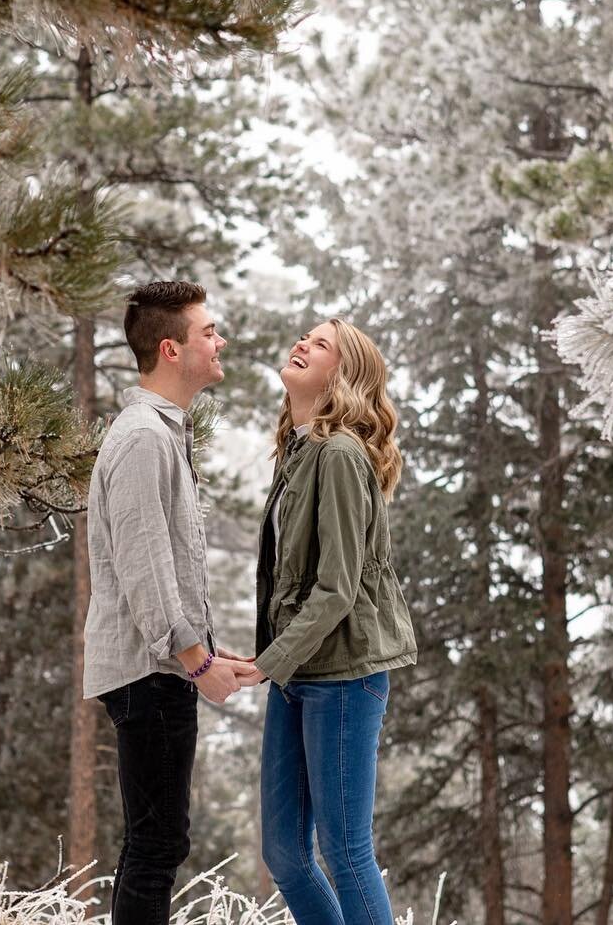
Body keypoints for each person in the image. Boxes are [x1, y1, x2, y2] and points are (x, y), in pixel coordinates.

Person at [82, 280, 264, 925]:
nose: (221, 341)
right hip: (149, 670)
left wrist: (208, 652)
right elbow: (144, 566)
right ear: (170, 348)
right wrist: (194, 660)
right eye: (208, 332)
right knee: (157, 844)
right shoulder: (142, 438)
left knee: (156, 841)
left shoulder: (159, 433)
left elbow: (166, 565)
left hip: (162, 666)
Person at [252, 318, 418, 925]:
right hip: (300, 668)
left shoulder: (342, 454)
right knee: (285, 854)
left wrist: (265, 663)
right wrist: (275, 661)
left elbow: (338, 589)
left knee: (344, 852)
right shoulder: (298, 452)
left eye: (320, 344)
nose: (301, 343)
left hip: (344, 674)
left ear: (342, 376)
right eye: (304, 336)